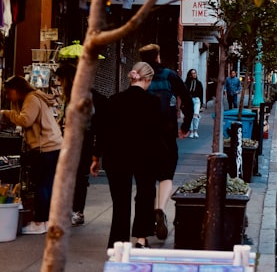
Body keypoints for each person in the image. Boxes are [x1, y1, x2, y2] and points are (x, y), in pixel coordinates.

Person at [91, 61, 165, 249]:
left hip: (116, 156)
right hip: (145, 156)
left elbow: (101, 129)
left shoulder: (114, 100)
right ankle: (141, 239)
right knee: (145, 196)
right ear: (147, 79)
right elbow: (159, 134)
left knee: (120, 201)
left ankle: (118, 242)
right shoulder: (153, 103)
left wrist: (95, 157)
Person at [138, 43, 192, 241]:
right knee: (167, 175)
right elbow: (186, 97)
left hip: (144, 135)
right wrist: (185, 125)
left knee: (146, 181)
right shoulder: (169, 75)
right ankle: (160, 209)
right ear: (158, 57)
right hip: (167, 133)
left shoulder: (138, 76)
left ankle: (142, 232)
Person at [1, 75, 63, 235]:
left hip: (45, 148)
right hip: (53, 146)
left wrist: (6, 113)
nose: (8, 96)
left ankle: (40, 221)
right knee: (47, 185)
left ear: (16, 89)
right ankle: (47, 221)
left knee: (42, 185)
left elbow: (26, 120)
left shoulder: (31, 98)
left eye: (8, 93)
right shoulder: (36, 97)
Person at [57, 60, 106, 227]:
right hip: (77, 142)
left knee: (78, 178)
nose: (58, 84)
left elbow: (90, 124)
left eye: (60, 79)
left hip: (80, 143)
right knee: (74, 178)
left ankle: (77, 211)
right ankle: (73, 210)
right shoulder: (75, 95)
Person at [184, 69, 204, 138]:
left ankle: (195, 130)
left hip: (197, 100)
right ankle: (191, 131)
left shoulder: (199, 83)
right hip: (189, 100)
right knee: (190, 116)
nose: (194, 74)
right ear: (190, 75)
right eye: (192, 73)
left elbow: (201, 94)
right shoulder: (186, 83)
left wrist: (201, 103)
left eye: (195, 73)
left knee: (195, 116)